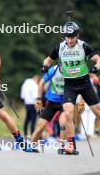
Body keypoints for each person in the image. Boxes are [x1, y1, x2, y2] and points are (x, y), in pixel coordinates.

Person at [41, 21, 100, 154]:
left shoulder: (83, 46)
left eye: (72, 37)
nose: (70, 40)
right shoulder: (59, 48)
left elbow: (98, 59)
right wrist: (45, 66)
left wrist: (96, 67)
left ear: (77, 35)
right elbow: (48, 60)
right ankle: (71, 145)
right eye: (67, 37)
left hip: (85, 84)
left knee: (98, 111)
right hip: (70, 85)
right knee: (68, 113)